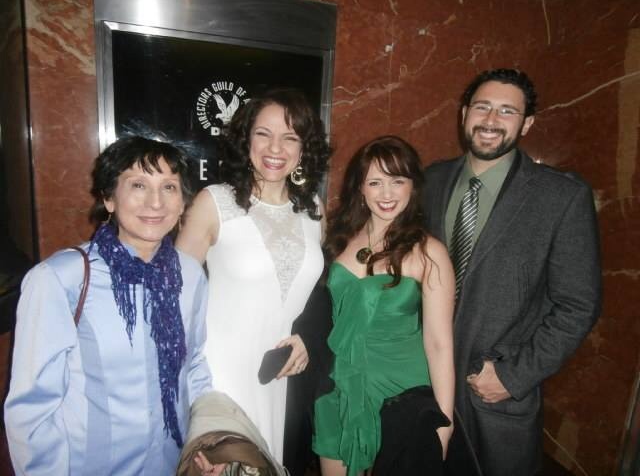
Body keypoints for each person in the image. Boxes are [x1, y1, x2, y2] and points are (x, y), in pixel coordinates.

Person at [422, 68, 602, 475]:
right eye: (482, 107)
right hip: (421, 383)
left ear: (527, 122)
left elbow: (578, 304)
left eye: (507, 111)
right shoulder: (430, 181)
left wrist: (512, 375)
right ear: (464, 113)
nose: (490, 120)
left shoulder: (561, 196)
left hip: (493, 397)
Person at [4, 136, 212, 474]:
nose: (155, 202)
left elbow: (195, 367)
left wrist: (204, 441)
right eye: (138, 185)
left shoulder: (189, 274)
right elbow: (32, 407)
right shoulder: (61, 278)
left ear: (183, 202)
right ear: (109, 198)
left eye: (169, 187)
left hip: (171, 464)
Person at [176, 87, 331, 464]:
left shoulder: (313, 208)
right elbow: (176, 297)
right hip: (222, 374)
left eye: (289, 137)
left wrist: (309, 339)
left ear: (302, 148)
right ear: (246, 139)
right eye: (263, 133)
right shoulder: (214, 201)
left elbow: (316, 296)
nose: (274, 147)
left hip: (284, 375)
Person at [313, 136, 455, 476]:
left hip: (399, 396)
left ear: (412, 187)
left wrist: (444, 423)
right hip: (339, 389)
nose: (387, 193)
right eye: (375, 182)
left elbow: (439, 344)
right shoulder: (336, 241)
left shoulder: (428, 252)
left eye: (397, 181)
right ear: (360, 188)